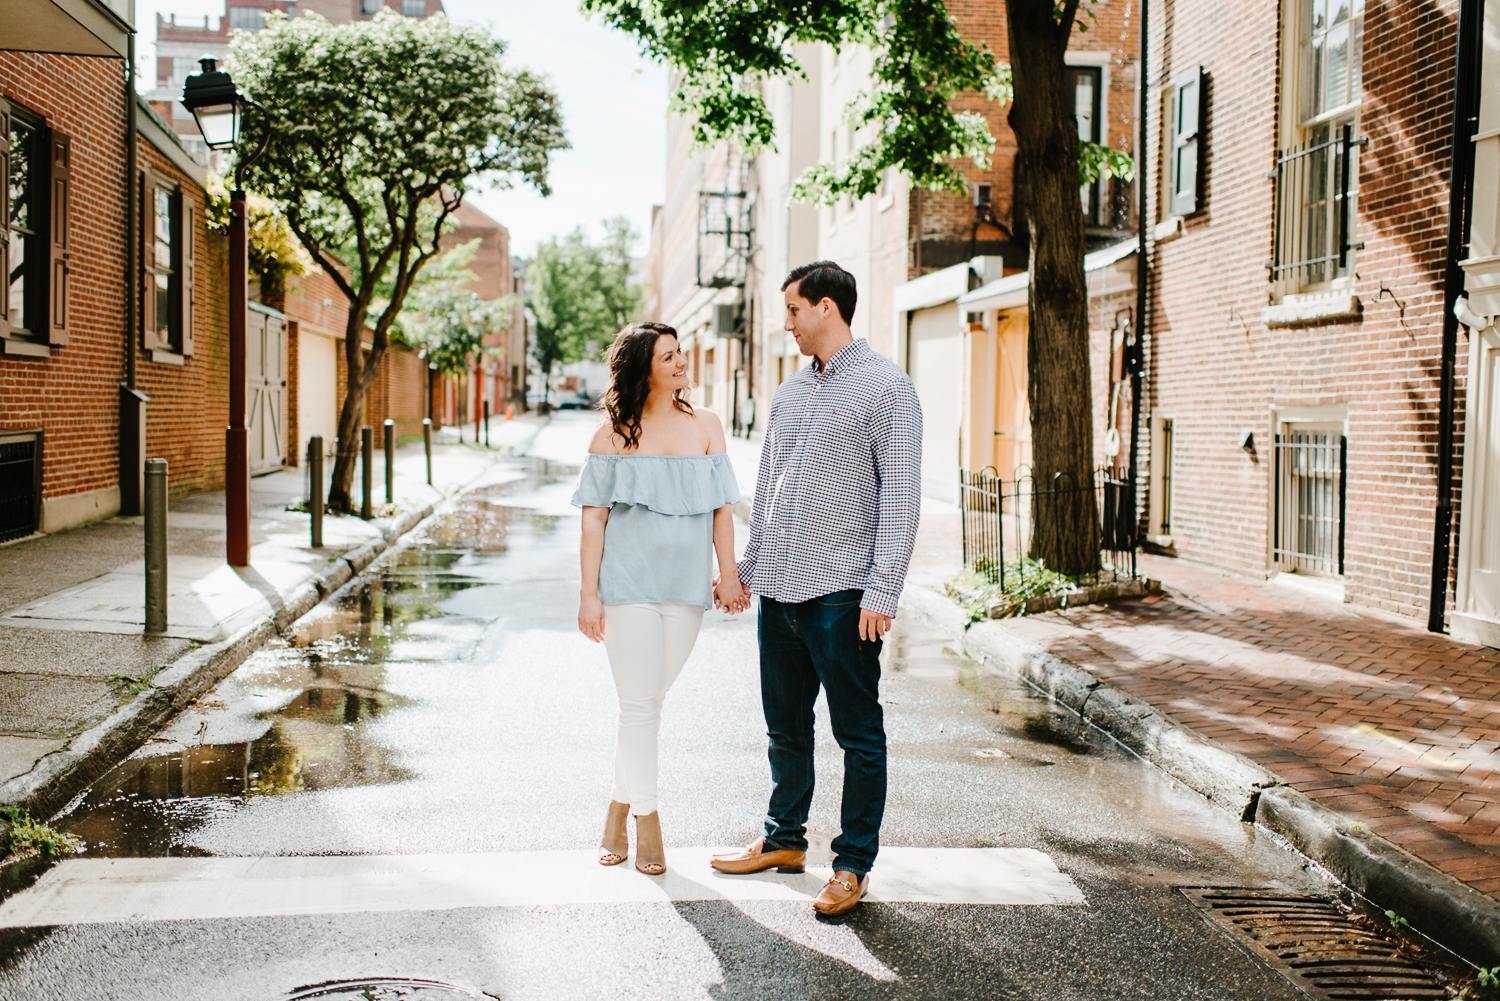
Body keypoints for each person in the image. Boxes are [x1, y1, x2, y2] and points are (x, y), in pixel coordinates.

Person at [710, 261, 922, 916]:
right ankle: (783, 839)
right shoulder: (790, 393)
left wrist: (883, 591)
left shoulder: (889, 388)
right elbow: (769, 490)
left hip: (844, 594)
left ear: (827, 308)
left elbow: (902, 498)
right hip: (779, 593)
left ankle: (852, 862)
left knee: (858, 735)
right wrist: (748, 567)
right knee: (785, 728)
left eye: (794, 310)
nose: (788, 323)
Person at [573, 321, 747, 877]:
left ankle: (617, 804)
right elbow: (593, 524)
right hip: (627, 589)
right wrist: (589, 596)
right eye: (668, 357)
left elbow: (723, 511)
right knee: (641, 706)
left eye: (680, 354)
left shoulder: (707, 428)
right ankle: (647, 823)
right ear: (644, 368)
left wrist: (728, 575)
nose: (680, 363)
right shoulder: (611, 436)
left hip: (685, 591)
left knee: (646, 702)